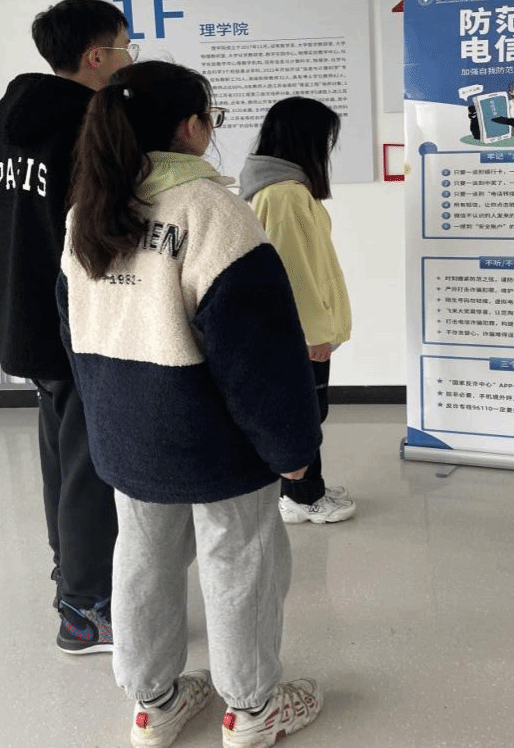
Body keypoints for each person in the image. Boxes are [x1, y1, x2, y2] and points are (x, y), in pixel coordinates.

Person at [58, 60, 324, 748]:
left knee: (142, 559)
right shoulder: (211, 211)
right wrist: (293, 450)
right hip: (214, 439)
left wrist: (108, 417)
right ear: (190, 127)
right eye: (212, 117)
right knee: (240, 562)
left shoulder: (88, 209)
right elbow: (258, 355)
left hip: (124, 430)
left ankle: (153, 704)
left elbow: (73, 329)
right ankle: (252, 710)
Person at [0, 0, 129, 654]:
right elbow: (103, 231)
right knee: (90, 465)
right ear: (96, 55)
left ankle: (72, 575)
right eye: (124, 46)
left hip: (27, 313)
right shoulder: (86, 127)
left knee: (62, 455)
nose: (128, 59)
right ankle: (85, 609)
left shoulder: (14, 128)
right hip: (77, 319)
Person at [239, 97, 356, 526]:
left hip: (294, 330)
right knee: (304, 414)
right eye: (324, 139)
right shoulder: (285, 194)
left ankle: (306, 489)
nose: (326, 148)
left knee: (303, 410)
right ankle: (302, 498)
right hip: (299, 333)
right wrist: (314, 334)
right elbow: (294, 273)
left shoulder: (283, 189)